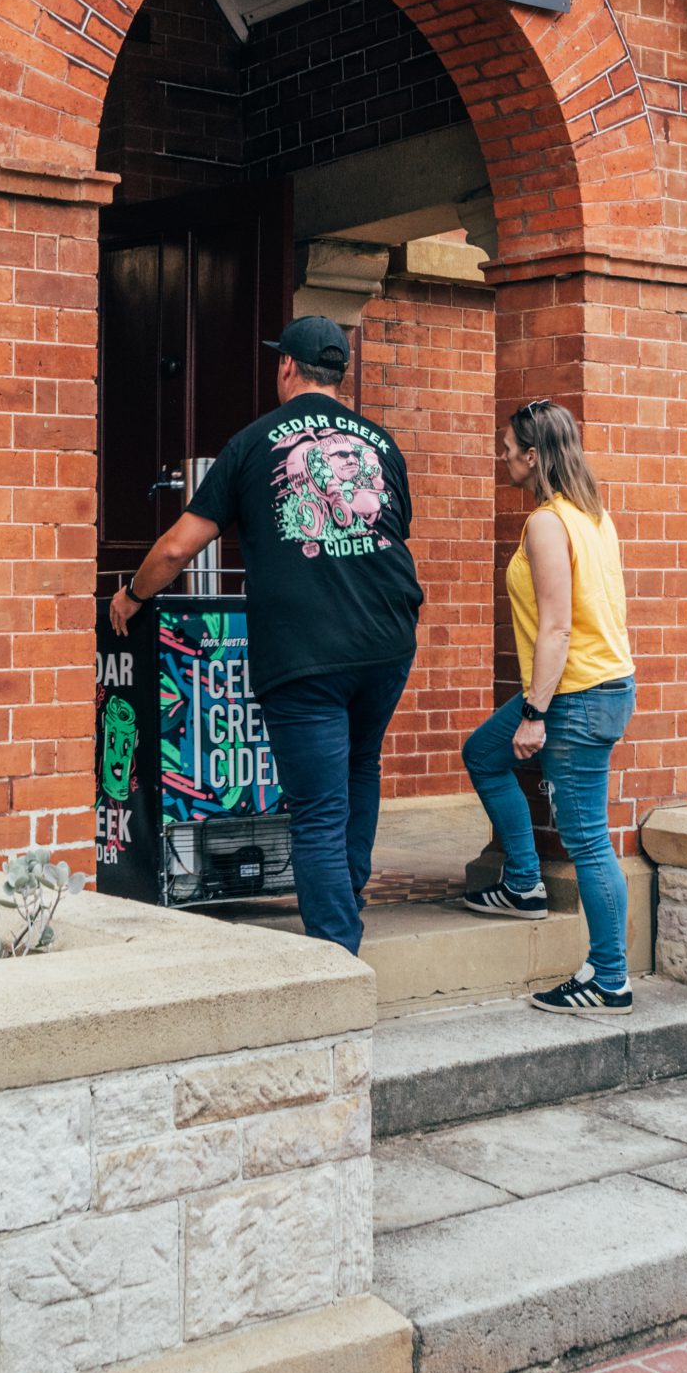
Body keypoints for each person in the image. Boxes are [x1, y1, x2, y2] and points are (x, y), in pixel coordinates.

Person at [108, 315, 423, 955]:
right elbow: (392, 534)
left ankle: (337, 953)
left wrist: (132, 595)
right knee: (360, 770)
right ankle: (346, 897)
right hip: (388, 639)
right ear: (340, 373)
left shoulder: (254, 442)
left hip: (307, 653)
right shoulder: (382, 444)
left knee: (316, 808)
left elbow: (176, 549)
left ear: (286, 367)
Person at [461, 398, 636, 1013]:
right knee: (483, 752)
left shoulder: (548, 522)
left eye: (509, 447)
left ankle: (610, 977)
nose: (501, 455)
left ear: (533, 456)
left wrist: (536, 713)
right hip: (597, 686)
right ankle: (524, 884)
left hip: (576, 695)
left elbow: (557, 627)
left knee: (588, 840)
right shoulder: (590, 514)